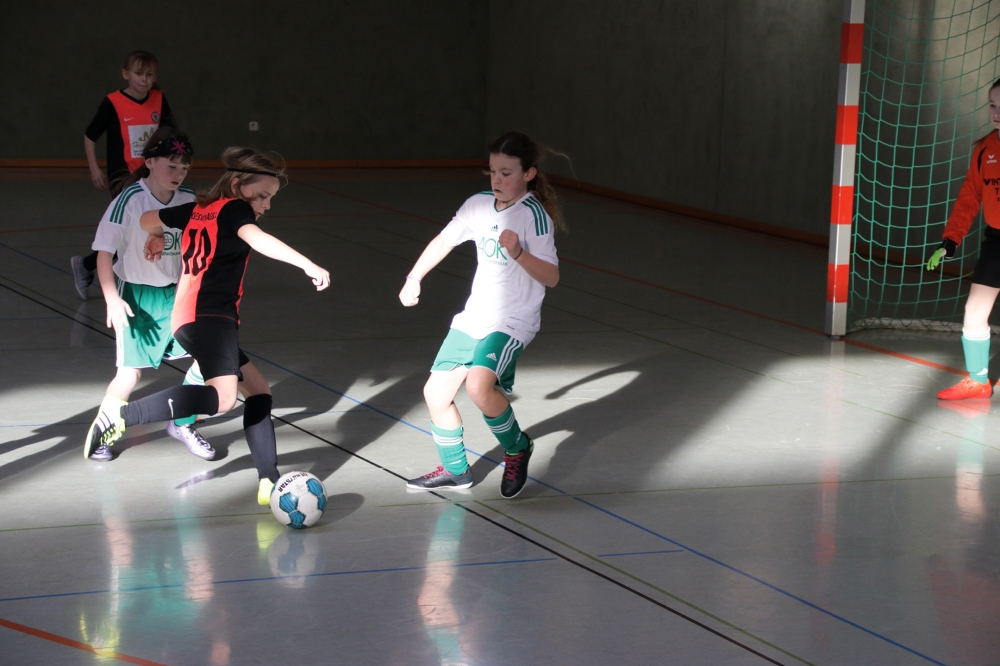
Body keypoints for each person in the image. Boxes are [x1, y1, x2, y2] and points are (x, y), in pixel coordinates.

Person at [83, 148, 331, 505]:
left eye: (270, 198)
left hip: (189, 316)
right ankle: (124, 415)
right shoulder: (234, 209)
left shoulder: (198, 208)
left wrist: (159, 234)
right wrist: (307, 264)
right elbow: (257, 238)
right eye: (262, 195)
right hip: (210, 318)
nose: (266, 205)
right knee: (224, 398)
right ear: (237, 184)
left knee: (259, 392)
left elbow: (147, 220)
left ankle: (268, 480)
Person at [400, 131, 563, 498]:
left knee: (478, 386)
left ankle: (517, 448)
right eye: (492, 171)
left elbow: (551, 277)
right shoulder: (477, 205)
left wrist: (519, 253)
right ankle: (456, 471)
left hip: (512, 320)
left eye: (507, 173)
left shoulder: (534, 217)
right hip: (474, 316)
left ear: (528, 174)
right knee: (435, 394)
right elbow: (444, 240)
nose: (497, 180)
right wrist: (414, 277)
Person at [87, 127, 214, 462]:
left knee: (209, 358)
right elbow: (103, 253)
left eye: (184, 167)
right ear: (150, 162)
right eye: (171, 166)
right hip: (137, 298)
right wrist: (112, 298)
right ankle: (103, 432)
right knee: (130, 374)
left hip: (177, 294)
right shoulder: (130, 200)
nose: (178, 173)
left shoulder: (189, 199)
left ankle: (182, 422)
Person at [72, 50, 177, 300]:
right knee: (129, 229)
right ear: (126, 74)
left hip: (152, 174)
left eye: (149, 75)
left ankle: (85, 265)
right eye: (139, 73)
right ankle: (118, 280)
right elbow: (90, 136)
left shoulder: (159, 99)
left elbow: (170, 135)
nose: (144, 79)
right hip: (123, 177)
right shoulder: (113, 102)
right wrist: (94, 168)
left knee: (144, 229)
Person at [928, 77, 1000, 400]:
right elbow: (969, 197)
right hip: (996, 242)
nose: (996, 113)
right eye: (992, 105)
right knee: (974, 311)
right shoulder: (985, 149)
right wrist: (951, 239)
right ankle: (978, 381)